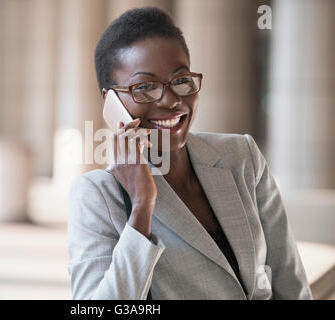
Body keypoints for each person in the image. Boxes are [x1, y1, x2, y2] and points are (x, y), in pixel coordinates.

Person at [67, 7, 313, 300]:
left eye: (181, 80)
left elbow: (291, 284)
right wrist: (141, 207)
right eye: (145, 87)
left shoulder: (241, 156)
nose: (171, 101)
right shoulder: (98, 195)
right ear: (111, 102)